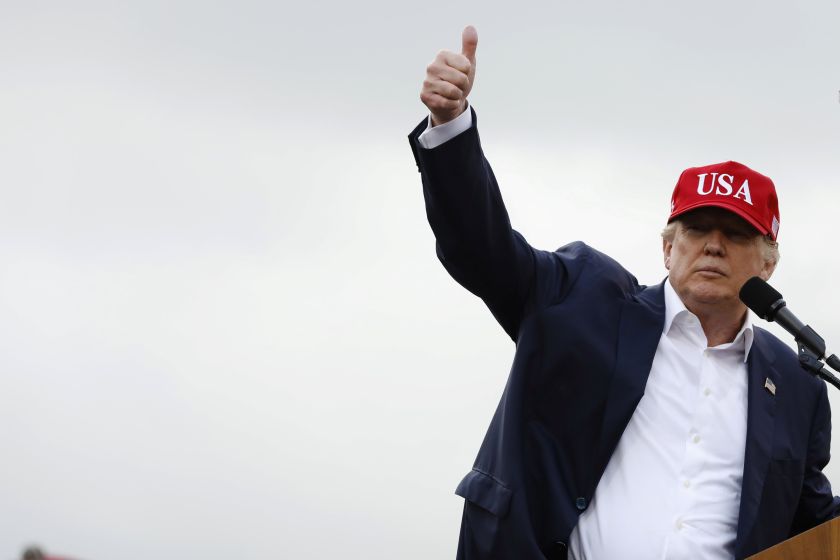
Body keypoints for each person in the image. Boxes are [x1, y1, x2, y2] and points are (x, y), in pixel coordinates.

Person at [408, 26, 840, 560]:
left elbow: (808, 523)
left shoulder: (798, 385)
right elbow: (482, 250)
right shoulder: (583, 298)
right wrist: (450, 128)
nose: (713, 247)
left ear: (768, 263)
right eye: (697, 229)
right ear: (667, 248)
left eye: (735, 234)